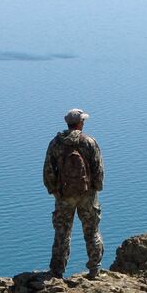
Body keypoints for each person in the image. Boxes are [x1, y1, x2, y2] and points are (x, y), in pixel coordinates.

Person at [42, 107, 105, 278]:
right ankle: (94, 270)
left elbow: (48, 170)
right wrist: (95, 189)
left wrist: (54, 191)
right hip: (87, 195)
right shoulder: (89, 142)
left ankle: (57, 272)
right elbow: (98, 169)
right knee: (91, 232)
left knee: (62, 234)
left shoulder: (56, 143)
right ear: (80, 123)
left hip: (64, 195)